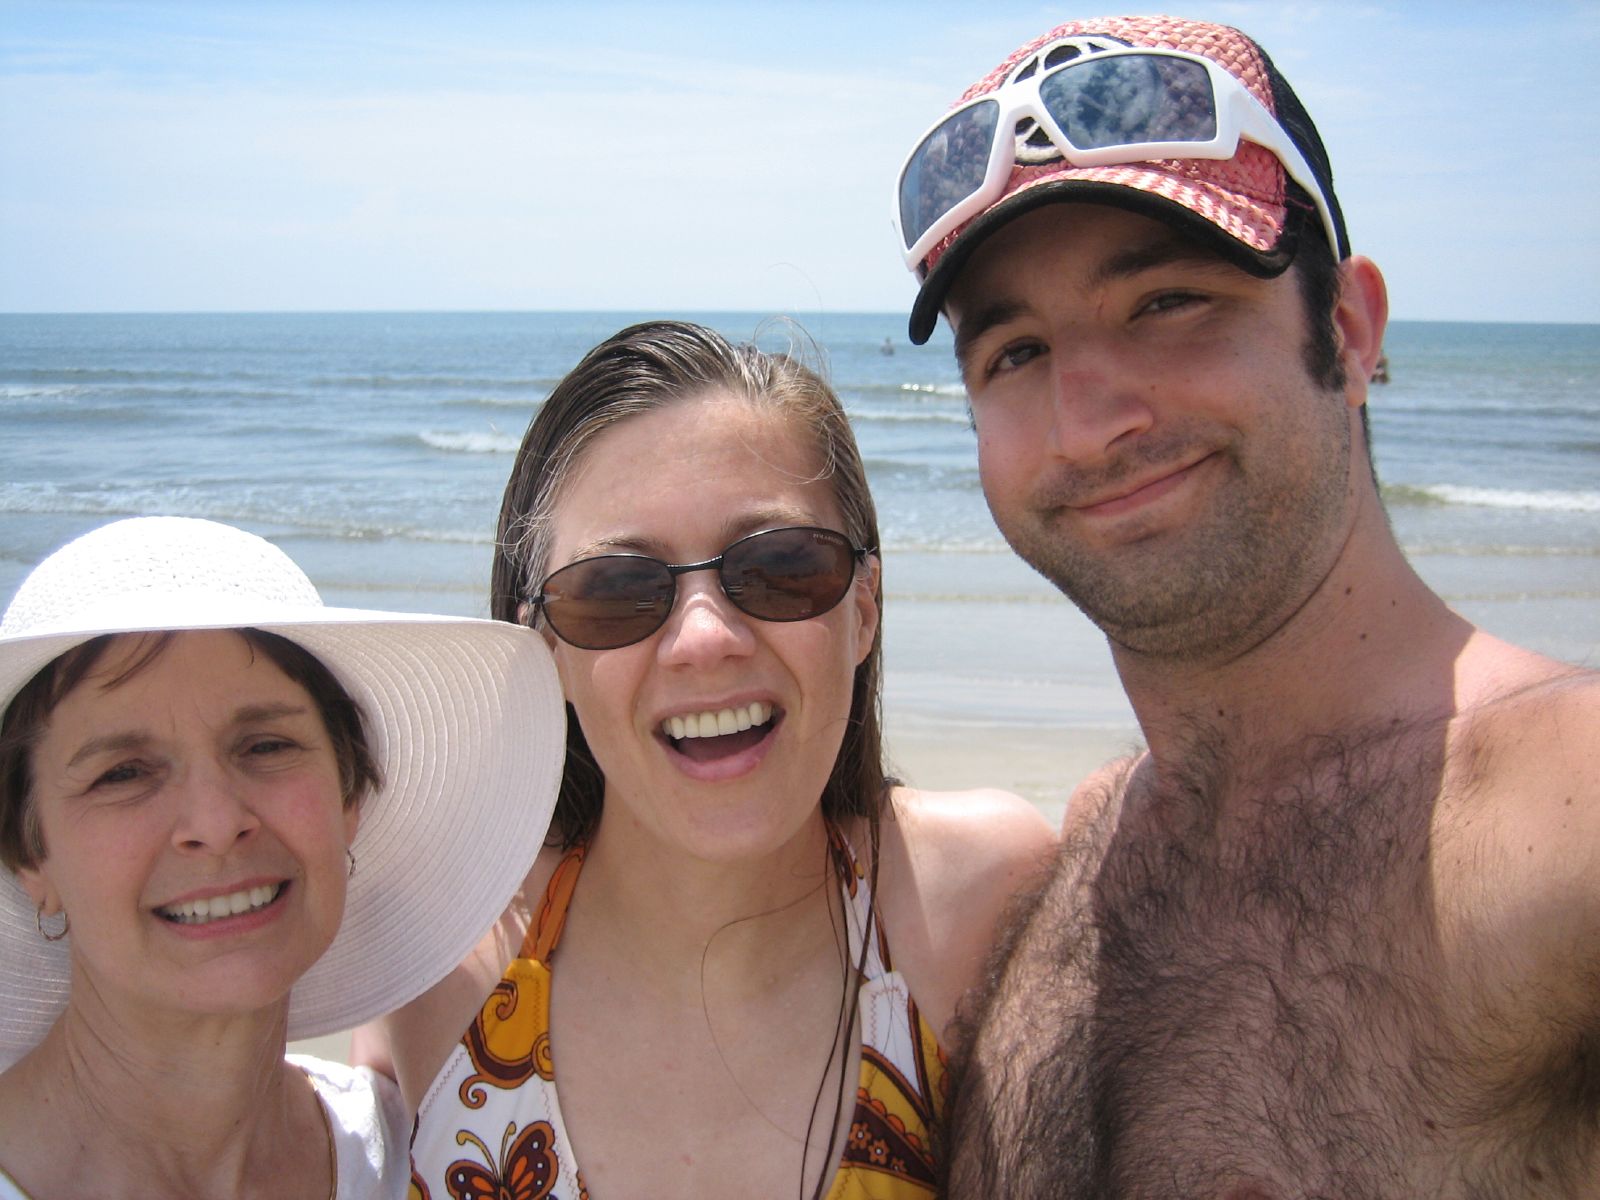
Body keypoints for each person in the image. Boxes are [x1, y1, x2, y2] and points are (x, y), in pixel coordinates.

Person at [890, 14, 1600, 1196]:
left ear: (1349, 328)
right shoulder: (1075, 871)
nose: (1087, 420)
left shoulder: (1561, 815)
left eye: (1167, 301)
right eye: (1013, 352)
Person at [356, 320, 1054, 1199]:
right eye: (615, 591)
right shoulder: (441, 967)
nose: (704, 639)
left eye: (780, 567)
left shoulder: (973, 907)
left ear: (863, 611)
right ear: (548, 655)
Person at [0, 516, 564, 1199]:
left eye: (266, 746)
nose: (214, 823)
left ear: (348, 794)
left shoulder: (432, 1155)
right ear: (29, 850)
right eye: (123, 773)